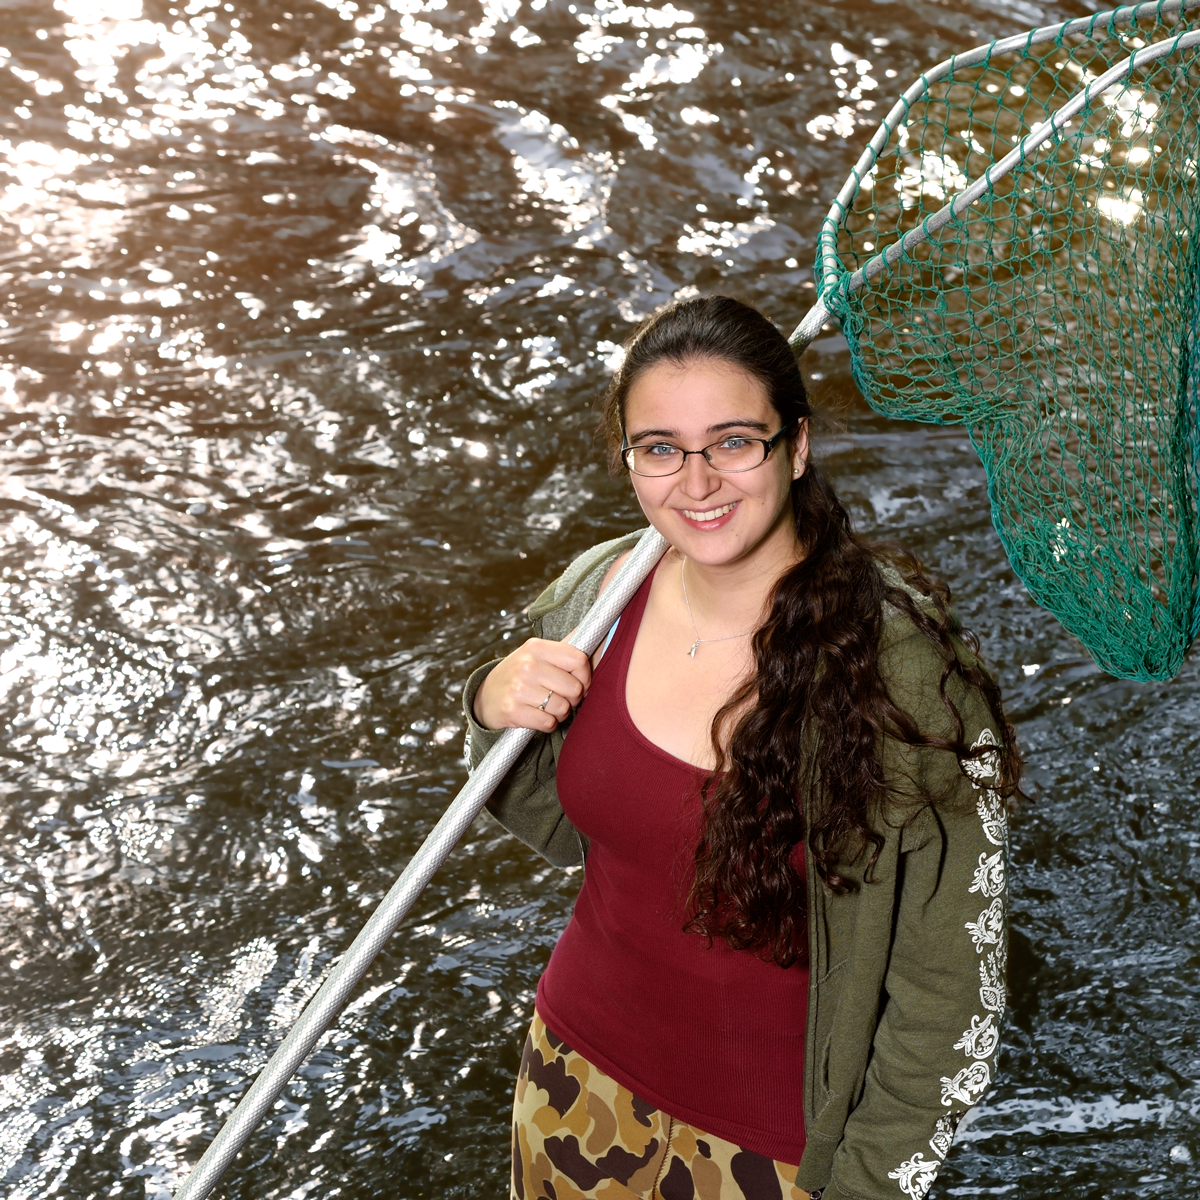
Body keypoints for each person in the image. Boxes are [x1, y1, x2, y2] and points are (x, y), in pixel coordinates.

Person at [462, 296, 1021, 1200]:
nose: (697, 483)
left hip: (774, 1152)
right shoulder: (598, 593)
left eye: (732, 441)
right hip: (573, 1076)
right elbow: (551, 818)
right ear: (630, 461)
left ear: (795, 447)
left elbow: (952, 993)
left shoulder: (906, 675)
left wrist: (869, 1186)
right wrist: (491, 706)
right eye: (660, 449)